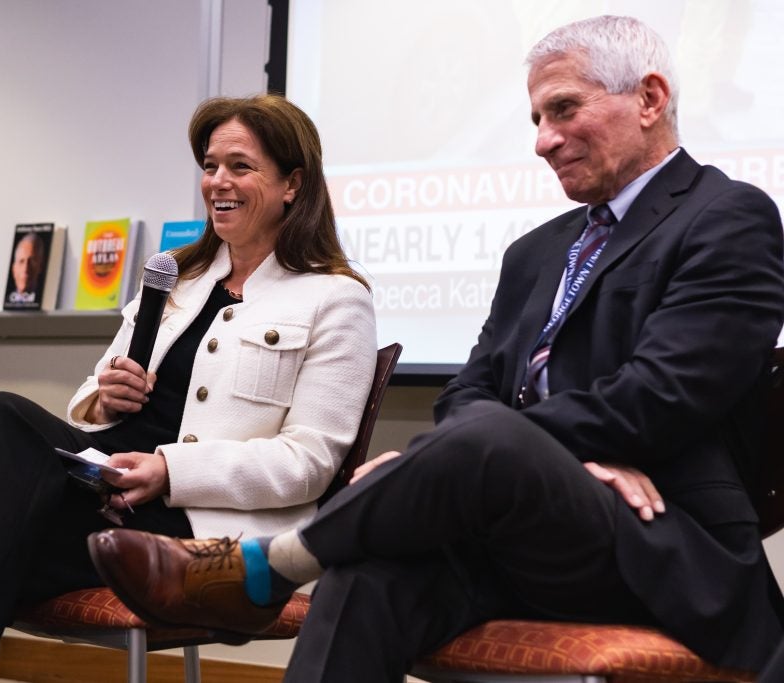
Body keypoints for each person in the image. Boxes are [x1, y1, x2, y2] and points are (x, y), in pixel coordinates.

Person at [87, 15, 784, 681]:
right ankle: (284, 567)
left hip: (658, 539)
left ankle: (268, 567)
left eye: (564, 110)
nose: (543, 139)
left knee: (495, 440)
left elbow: (663, 398)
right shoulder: (534, 253)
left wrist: (525, 451)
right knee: (368, 574)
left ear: (650, 98)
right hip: (511, 537)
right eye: (537, 119)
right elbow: (465, 398)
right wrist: (514, 454)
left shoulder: (728, 217)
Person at [0, 94, 377, 683]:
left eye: (240, 167)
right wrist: (104, 395)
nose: (218, 181)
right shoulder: (177, 275)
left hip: (195, 530)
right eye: (210, 165)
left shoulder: (334, 298)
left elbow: (310, 462)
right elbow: (93, 398)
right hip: (105, 492)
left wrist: (170, 470)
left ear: (292, 184)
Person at [6, 232, 45, 304]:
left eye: (32, 262)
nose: (26, 269)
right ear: (14, 269)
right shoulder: (7, 301)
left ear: (40, 267)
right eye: (21, 261)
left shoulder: (45, 300)